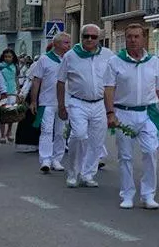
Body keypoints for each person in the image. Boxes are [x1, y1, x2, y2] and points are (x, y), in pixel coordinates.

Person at [103, 23, 159, 211]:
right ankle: (127, 194)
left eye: (136, 36)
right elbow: (109, 89)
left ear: (144, 39)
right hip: (123, 113)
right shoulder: (115, 62)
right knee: (125, 156)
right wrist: (110, 113)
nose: (133, 40)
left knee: (151, 151)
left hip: (147, 113)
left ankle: (148, 194)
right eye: (129, 37)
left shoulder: (154, 62)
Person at [56, 24, 112, 187]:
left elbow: (114, 81)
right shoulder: (71, 55)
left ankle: (88, 174)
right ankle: (73, 173)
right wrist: (61, 106)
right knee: (79, 135)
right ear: (81, 37)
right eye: (86, 36)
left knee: (96, 141)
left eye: (93, 37)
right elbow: (60, 82)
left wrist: (112, 107)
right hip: (78, 102)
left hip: (99, 104)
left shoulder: (108, 55)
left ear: (99, 39)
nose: (89, 39)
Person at [27, 33, 71, 173]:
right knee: (46, 130)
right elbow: (37, 80)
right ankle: (45, 159)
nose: (68, 45)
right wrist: (34, 100)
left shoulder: (70, 59)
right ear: (56, 44)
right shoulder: (44, 59)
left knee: (61, 132)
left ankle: (57, 159)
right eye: (65, 43)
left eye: (69, 43)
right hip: (47, 102)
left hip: (65, 102)